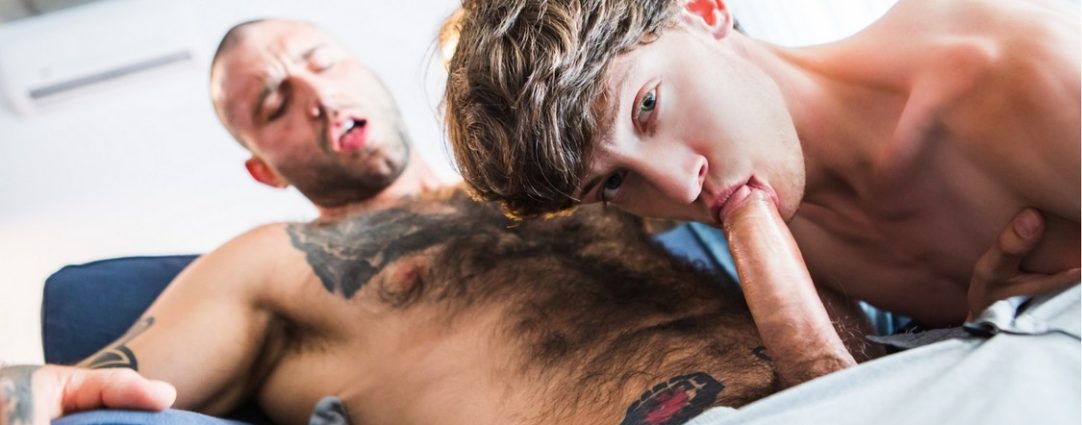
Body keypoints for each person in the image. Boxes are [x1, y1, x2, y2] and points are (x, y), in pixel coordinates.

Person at [0, 19, 876, 425]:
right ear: (262, 167)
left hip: (871, 387)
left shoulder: (573, 173)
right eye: (273, 102)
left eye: (319, 61)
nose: (314, 94)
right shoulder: (275, 261)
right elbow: (82, 382)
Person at [443, 0, 1080, 382]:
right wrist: (987, 331)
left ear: (703, 12)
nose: (679, 186)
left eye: (648, 106)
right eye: (613, 181)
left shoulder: (1011, 78)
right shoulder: (781, 225)